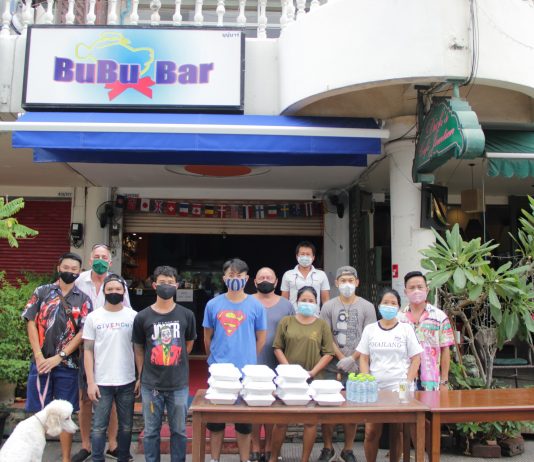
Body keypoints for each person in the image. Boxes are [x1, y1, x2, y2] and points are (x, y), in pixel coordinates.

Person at [22, 252, 93, 462]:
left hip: (68, 365)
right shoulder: (42, 292)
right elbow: (30, 321)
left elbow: (83, 333)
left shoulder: (84, 299)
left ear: (79, 272)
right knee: (37, 414)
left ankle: (65, 459)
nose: (70, 271)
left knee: (65, 413)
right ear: (58, 268)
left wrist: (60, 356)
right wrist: (38, 355)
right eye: (66, 268)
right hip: (41, 363)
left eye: (74, 269)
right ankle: (32, 456)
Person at [203, 258, 267, 462]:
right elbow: (207, 336)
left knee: (244, 422)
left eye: (239, 275)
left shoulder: (256, 305)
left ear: (246, 279)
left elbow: (261, 337)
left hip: (245, 372)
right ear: (224, 278)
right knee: (215, 420)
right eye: (231, 275)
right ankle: (214, 459)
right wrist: (214, 359)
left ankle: (244, 459)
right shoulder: (213, 304)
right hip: (219, 371)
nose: (235, 279)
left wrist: (248, 357)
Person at [74, 243, 132, 462]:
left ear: (110, 260)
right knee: (86, 398)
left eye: (104, 257)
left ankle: (113, 444)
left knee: (113, 399)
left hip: (112, 346)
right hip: (84, 344)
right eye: (96, 256)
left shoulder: (117, 283)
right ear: (90, 259)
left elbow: (126, 312)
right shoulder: (79, 280)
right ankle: (86, 445)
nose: (100, 260)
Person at [132, 265, 197, 462]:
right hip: (151, 385)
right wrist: (141, 375)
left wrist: (173, 358)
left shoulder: (186, 314)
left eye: (170, 282)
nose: (166, 286)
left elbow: (188, 344)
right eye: (162, 282)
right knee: (151, 431)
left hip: (178, 384)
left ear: (177, 285)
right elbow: (139, 347)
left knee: (179, 431)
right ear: (154, 285)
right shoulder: (142, 316)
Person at [269, 286, 335, 462]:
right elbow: (277, 347)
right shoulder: (286, 321)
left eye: (311, 301)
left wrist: (312, 372)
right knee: (281, 421)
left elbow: (328, 353)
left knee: (310, 422)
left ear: (316, 303)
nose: (307, 303)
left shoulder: (322, 325)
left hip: (313, 379)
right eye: (303, 300)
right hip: (288, 380)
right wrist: (290, 371)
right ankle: (273, 458)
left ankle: (304, 459)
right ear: (297, 302)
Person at [356, 288, 422, 462]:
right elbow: (364, 357)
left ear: (399, 307)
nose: (389, 306)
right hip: (375, 387)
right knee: (371, 431)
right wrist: (366, 379)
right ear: (378, 305)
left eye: (393, 303)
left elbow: (416, 358)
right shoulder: (370, 329)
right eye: (386, 302)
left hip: (399, 387)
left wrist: (407, 382)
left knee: (397, 430)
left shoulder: (406, 329)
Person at [318, 266, 377, 462]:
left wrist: (352, 358)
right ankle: (328, 448)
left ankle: (348, 449)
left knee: (352, 408)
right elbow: (326, 335)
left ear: (357, 282)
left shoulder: (367, 307)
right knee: (328, 408)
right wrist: (340, 356)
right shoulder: (328, 307)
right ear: (336, 283)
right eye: (343, 280)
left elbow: (369, 336)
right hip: (331, 365)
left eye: (350, 280)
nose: (347, 284)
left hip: (358, 365)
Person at [83, 274, 137, 462]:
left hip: (127, 380)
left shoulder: (133, 316)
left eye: (118, 289)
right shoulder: (93, 317)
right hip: (101, 381)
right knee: (99, 427)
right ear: (104, 292)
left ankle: (123, 457)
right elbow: (88, 350)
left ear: (124, 292)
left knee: (126, 426)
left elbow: (139, 349)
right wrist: (91, 382)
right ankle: (97, 458)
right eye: (110, 289)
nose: (114, 292)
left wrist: (140, 376)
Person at [250, 267, 293, 462]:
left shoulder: (286, 305)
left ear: (276, 282)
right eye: (261, 277)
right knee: (253, 404)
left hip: (277, 361)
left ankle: (269, 445)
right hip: (252, 360)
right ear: (255, 281)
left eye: (269, 277)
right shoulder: (247, 301)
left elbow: (291, 332)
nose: (265, 280)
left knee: (272, 404)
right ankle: (254, 446)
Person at [398, 271, 455, 391]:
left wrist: (444, 381)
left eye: (420, 287)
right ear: (405, 292)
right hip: (403, 380)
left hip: (431, 382)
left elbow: (445, 350)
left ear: (427, 290)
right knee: (404, 402)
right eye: (412, 288)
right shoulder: (398, 318)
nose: (416, 291)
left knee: (431, 404)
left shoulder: (440, 317)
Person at [281, 241, 330, 308]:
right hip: (293, 314)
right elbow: (284, 300)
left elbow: (326, 300)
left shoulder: (321, 275)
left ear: (313, 257)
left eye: (308, 254)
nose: (305, 256)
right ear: (297, 256)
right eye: (302, 254)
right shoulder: (288, 275)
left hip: (315, 314)